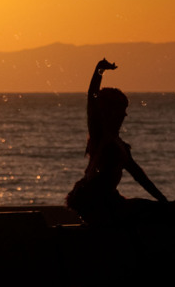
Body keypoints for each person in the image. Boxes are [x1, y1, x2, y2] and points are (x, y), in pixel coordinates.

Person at [66, 58, 169, 225]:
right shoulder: (99, 136)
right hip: (97, 206)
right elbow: (92, 99)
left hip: (111, 203)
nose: (125, 115)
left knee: (151, 209)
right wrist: (99, 70)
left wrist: (164, 201)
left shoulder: (121, 147)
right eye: (122, 109)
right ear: (109, 111)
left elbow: (140, 178)